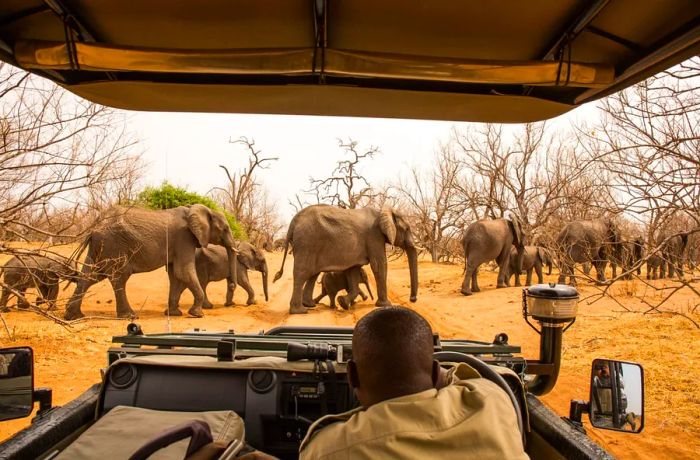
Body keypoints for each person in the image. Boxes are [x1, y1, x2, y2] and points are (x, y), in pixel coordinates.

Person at [299, 306, 528, 459]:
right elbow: (463, 376)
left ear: (352, 376)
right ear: (436, 371)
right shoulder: (492, 400)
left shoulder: (327, 450)